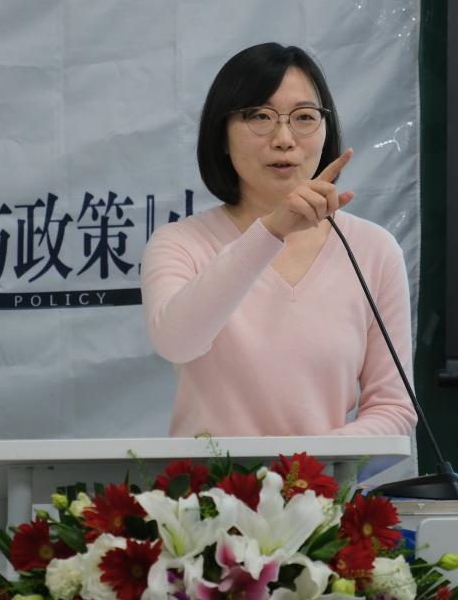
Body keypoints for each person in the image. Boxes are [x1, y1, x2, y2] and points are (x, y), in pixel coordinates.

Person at [141, 43, 417, 438]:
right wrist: (271, 231)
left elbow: (394, 409)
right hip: (208, 481)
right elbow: (177, 342)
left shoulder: (373, 249)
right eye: (259, 116)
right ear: (222, 135)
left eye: (304, 117)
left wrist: (305, 467)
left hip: (322, 479)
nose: (284, 138)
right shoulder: (180, 243)